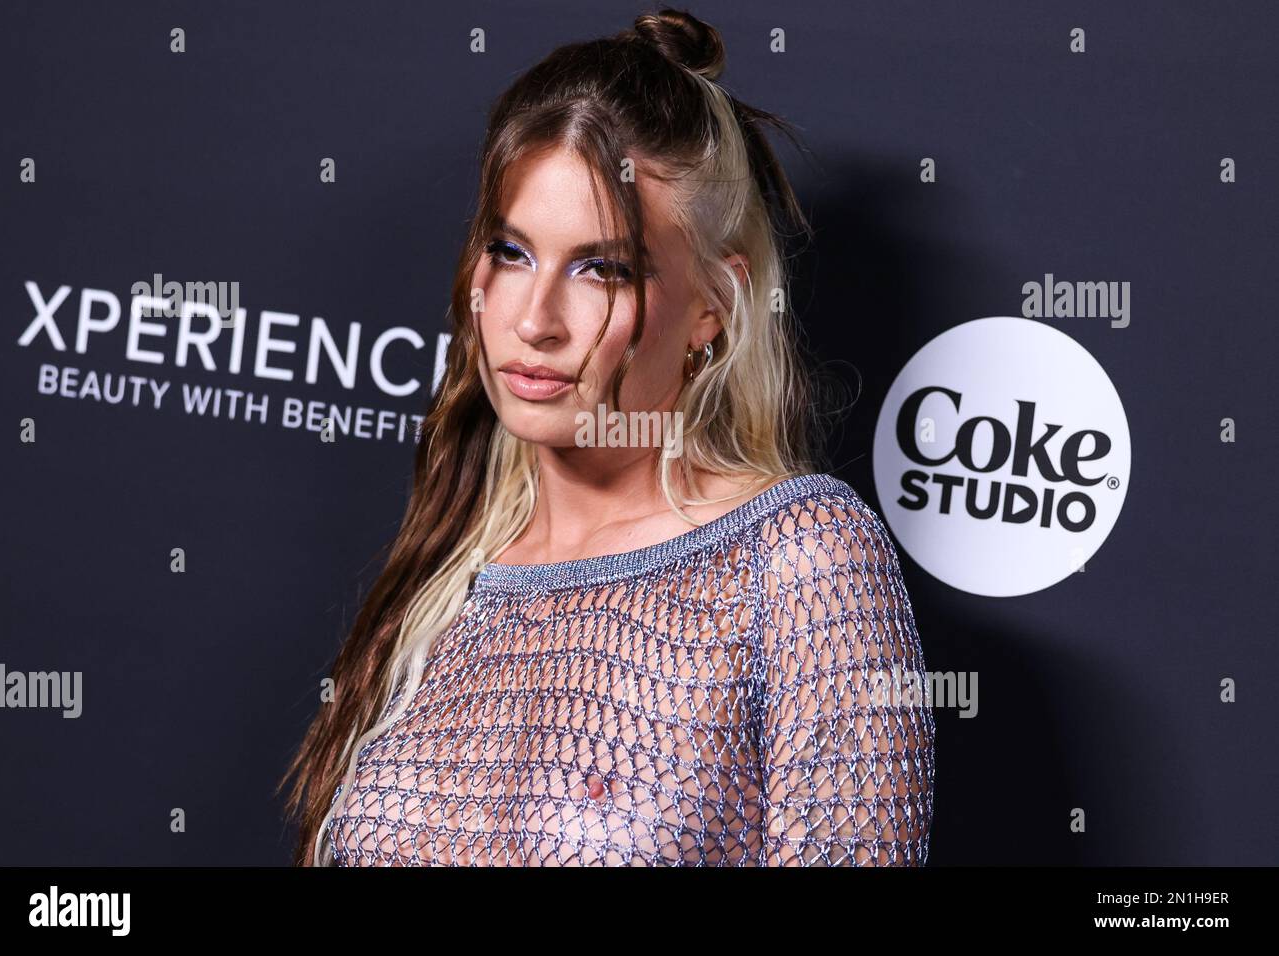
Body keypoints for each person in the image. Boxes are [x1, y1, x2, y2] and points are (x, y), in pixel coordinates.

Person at [280, 7, 935, 866]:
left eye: (602, 268)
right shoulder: (446, 581)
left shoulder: (802, 559)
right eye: (511, 253)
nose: (534, 320)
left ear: (713, 303)